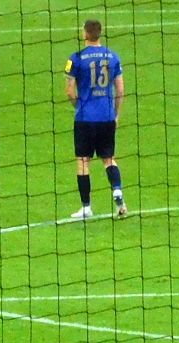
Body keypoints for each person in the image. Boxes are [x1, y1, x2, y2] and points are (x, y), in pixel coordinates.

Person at [66, 20, 127, 218]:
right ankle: (117, 190)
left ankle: (86, 207)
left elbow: (69, 91)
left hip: (85, 118)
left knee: (83, 161)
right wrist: (115, 114)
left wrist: (79, 106)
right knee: (109, 159)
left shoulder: (76, 58)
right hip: (106, 117)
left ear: (85, 33)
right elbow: (120, 90)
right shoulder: (113, 57)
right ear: (99, 34)